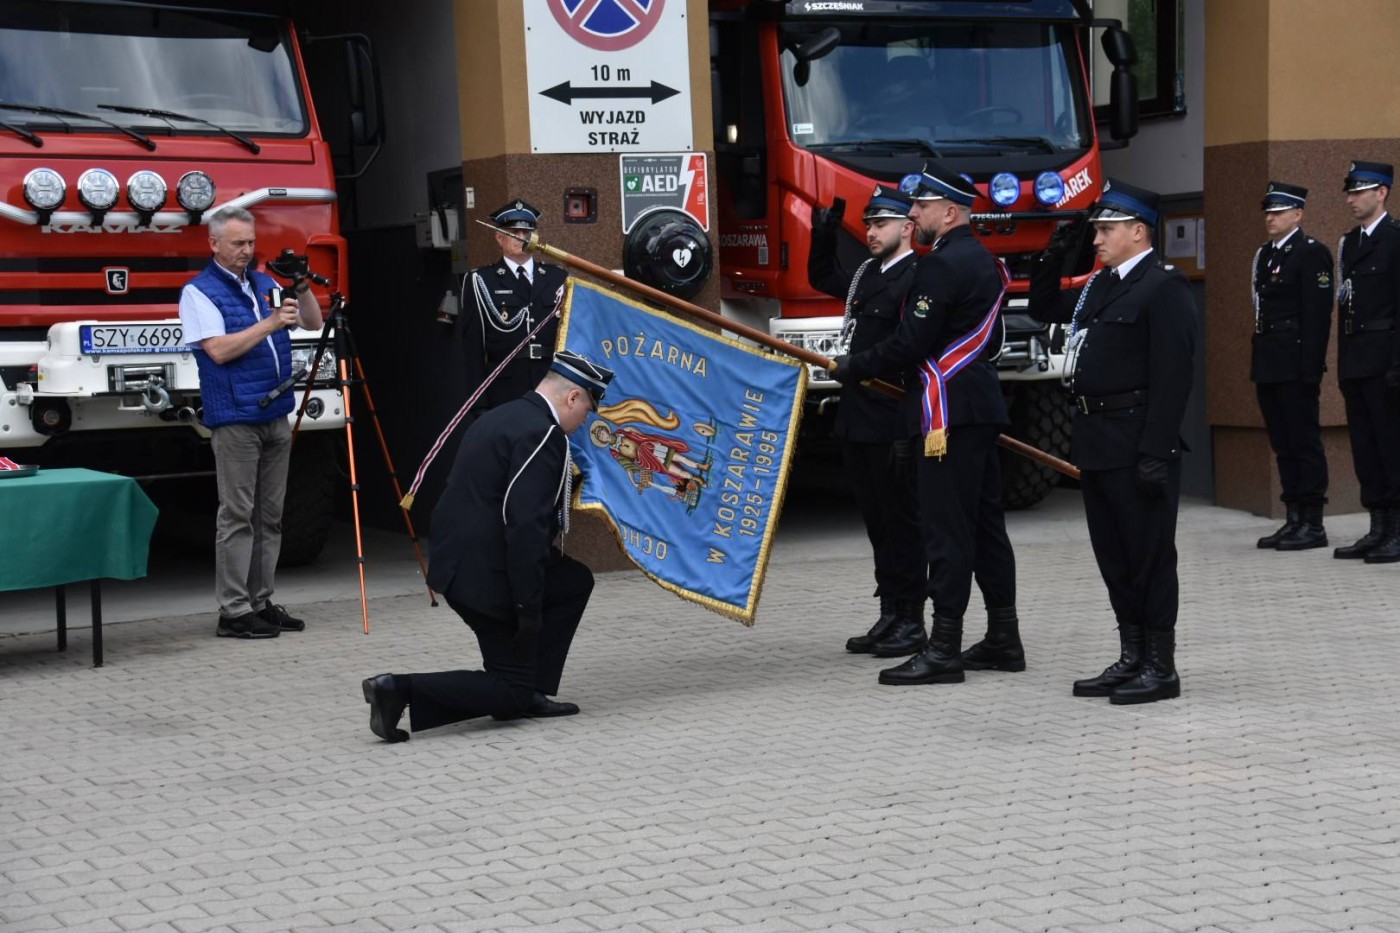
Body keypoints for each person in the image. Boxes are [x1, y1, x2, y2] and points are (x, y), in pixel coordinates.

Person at [362, 350, 614, 742]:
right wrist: (527, 607)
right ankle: (398, 689)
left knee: (572, 581)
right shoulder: (543, 434)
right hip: (485, 575)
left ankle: (532, 686)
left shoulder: (505, 415)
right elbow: (525, 527)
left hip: (461, 561)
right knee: (509, 694)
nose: (585, 422)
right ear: (572, 397)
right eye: (587, 411)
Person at [831, 163, 1020, 686]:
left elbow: (911, 344)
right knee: (986, 528)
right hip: (979, 406)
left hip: (945, 414)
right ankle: (1004, 636)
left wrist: (854, 366)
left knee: (946, 531)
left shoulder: (940, 265)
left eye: (922, 205)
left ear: (950, 211)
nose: (913, 213)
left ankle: (944, 647)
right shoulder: (984, 260)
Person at [1027, 179, 1197, 705]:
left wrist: (1156, 451)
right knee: (1114, 558)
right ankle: (1132, 654)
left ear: (1138, 231)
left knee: (1149, 557)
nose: (1097, 239)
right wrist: (1056, 252)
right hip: (1097, 440)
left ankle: (1160, 665)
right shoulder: (1101, 285)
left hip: (1137, 442)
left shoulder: (1163, 287)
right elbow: (1043, 306)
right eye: (1095, 231)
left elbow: (1174, 378)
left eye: (1105, 230)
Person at [178, 206, 323, 639]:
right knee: (238, 516)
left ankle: (261, 602)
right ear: (214, 243)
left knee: (270, 516)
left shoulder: (264, 283)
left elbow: (312, 322)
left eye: (251, 242)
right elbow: (219, 350)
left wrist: (301, 286)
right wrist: (270, 322)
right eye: (238, 243)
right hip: (236, 417)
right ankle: (233, 611)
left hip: (275, 412)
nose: (247, 250)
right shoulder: (198, 292)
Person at [807, 186, 926, 657]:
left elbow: (907, 348)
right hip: (859, 415)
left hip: (892, 415)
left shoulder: (917, 277)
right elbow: (823, 277)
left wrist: (856, 366)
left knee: (901, 521)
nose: (872, 232)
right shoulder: (867, 274)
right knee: (877, 521)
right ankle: (890, 611)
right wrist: (824, 233)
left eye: (881, 224)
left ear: (907, 227)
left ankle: (912, 618)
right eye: (869, 224)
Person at [1250, 181, 1334, 551]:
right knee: (1283, 443)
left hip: (1296, 363)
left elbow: (1317, 317)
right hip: (1269, 361)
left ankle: (1313, 522)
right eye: (1268, 212)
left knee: (1303, 442)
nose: (1271, 218)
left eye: (1279, 212)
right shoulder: (1265, 255)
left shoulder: (1311, 253)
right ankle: (1293, 518)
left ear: (1297, 214)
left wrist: (1311, 369)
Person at [1333, 161, 1400, 563]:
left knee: (1391, 448)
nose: (1351, 199)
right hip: (1357, 362)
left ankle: (1397, 530)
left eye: (1359, 192)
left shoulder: (1395, 239)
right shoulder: (1350, 243)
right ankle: (1377, 527)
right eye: (1350, 192)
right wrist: (1343, 365)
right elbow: (1346, 309)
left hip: (1385, 362)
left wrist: (1397, 366)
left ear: (1382, 193)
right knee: (1365, 449)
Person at [464, 199, 568, 411]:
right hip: (505, 388)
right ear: (499, 237)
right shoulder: (482, 281)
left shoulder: (557, 278)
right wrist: (479, 406)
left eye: (527, 232)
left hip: (550, 385)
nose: (521, 237)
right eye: (514, 232)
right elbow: (472, 350)